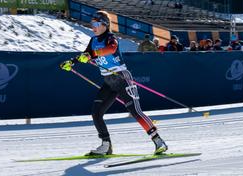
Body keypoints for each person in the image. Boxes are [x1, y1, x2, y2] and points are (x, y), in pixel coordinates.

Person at [60, 10, 168, 155]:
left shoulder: (111, 38)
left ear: (105, 25)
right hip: (108, 81)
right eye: (92, 24)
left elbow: (112, 49)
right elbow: (85, 54)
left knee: (135, 111)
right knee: (96, 112)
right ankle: (106, 145)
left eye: (97, 24)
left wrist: (92, 54)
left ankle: (159, 141)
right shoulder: (93, 41)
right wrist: (71, 62)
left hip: (121, 77)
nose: (93, 27)